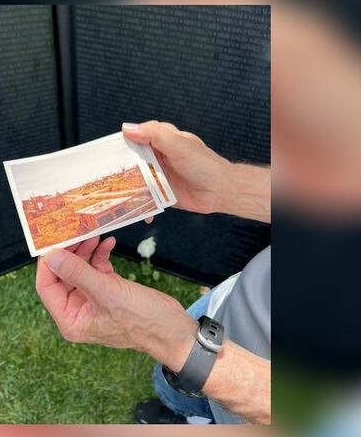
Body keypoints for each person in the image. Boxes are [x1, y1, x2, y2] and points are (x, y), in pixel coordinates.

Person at [34, 120, 272, 424]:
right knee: (171, 388)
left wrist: (171, 342)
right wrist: (229, 186)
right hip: (235, 300)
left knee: (202, 405)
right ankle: (180, 413)